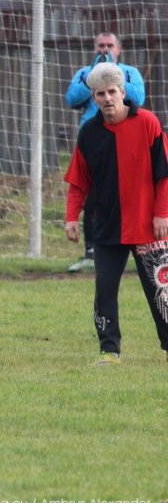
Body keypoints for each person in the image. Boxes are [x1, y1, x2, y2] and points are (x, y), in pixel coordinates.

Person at [64, 62, 168, 365]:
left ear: (123, 92)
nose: (107, 97)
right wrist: (72, 217)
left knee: (161, 291)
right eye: (100, 93)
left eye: (112, 91)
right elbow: (78, 182)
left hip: (149, 225)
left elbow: (164, 174)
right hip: (108, 226)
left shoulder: (148, 122)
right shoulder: (89, 133)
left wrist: (161, 213)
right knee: (104, 292)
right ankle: (109, 351)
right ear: (93, 98)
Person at [65, 32, 146, 273]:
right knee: (92, 196)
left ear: (118, 48)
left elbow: (138, 97)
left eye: (109, 45)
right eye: (101, 45)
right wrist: (94, 74)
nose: (105, 49)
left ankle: (139, 246)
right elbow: (72, 99)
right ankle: (91, 250)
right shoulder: (83, 73)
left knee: (130, 192)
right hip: (94, 143)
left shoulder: (130, 72)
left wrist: (113, 77)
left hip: (126, 142)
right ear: (94, 47)